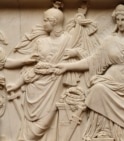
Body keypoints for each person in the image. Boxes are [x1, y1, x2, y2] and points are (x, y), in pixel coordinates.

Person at [55, 4, 124, 141]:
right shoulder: (109, 41)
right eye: (118, 20)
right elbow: (92, 61)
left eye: (123, 19)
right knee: (97, 89)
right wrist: (68, 67)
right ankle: (104, 131)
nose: (120, 23)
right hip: (110, 81)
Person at [6, 7, 73, 141]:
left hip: (54, 86)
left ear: (54, 22)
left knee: (46, 121)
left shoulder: (68, 40)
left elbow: (86, 56)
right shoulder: (40, 42)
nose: (43, 24)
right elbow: (37, 68)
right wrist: (17, 84)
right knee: (29, 125)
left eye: (45, 21)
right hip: (35, 89)